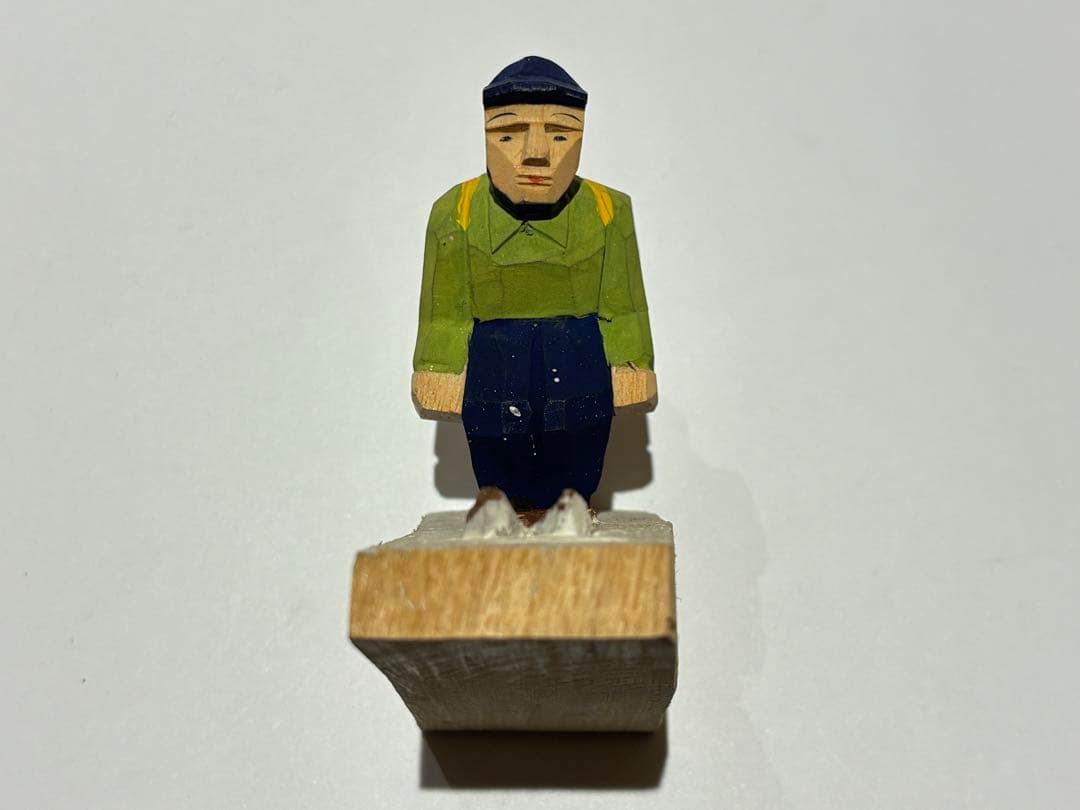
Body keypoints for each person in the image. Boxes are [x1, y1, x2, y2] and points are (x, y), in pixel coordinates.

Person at [411, 56, 656, 510]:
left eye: (561, 134)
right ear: (485, 135)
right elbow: (444, 310)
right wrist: (437, 370)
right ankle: (500, 504)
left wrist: (632, 367)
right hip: (494, 354)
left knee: (581, 425)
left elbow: (623, 303)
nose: (536, 152)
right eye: (508, 134)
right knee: (494, 428)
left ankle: (573, 503)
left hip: (578, 351)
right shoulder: (456, 211)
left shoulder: (608, 209)